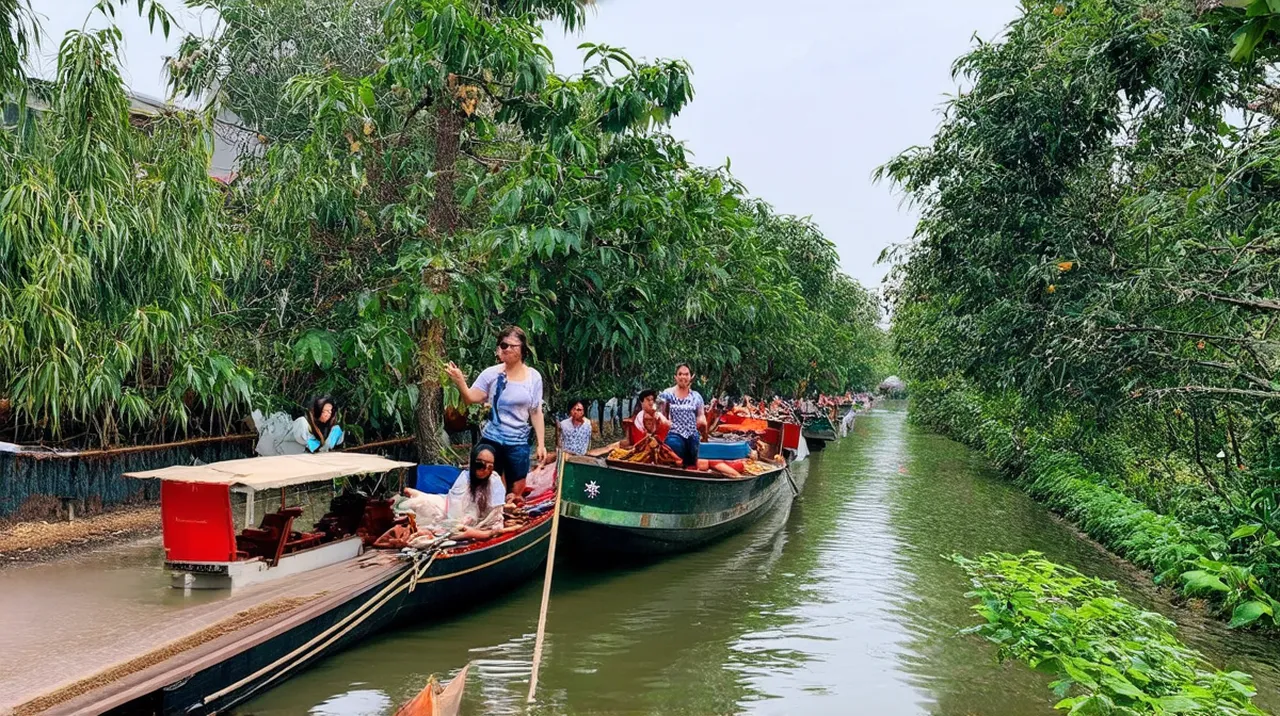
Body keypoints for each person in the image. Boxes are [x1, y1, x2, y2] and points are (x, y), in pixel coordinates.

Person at [445, 326, 546, 496]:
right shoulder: (491, 374)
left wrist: (541, 444)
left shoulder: (533, 377)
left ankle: (510, 508)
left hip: (518, 441)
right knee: (485, 475)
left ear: (522, 349)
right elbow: (470, 398)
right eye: (502, 345)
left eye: (510, 346)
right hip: (492, 437)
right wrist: (460, 381)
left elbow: (535, 411)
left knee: (516, 492)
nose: (505, 349)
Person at [445, 445, 508, 541]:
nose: (485, 470)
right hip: (464, 523)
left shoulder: (494, 480)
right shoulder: (464, 478)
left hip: (488, 525)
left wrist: (479, 532)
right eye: (480, 465)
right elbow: (455, 512)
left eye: (490, 467)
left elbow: (496, 515)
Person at [251, 395, 345, 456]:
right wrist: (316, 446)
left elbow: (332, 443)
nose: (327, 414)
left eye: (330, 412)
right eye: (325, 411)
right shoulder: (302, 423)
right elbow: (303, 440)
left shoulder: (334, 429)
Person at [659, 364, 706, 469]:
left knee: (697, 452)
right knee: (674, 446)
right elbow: (660, 413)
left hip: (692, 433)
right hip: (674, 432)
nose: (683, 377)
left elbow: (701, 415)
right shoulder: (667, 394)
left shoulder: (696, 396)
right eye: (680, 374)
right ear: (675, 377)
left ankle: (691, 471)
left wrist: (701, 421)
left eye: (686, 374)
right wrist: (664, 421)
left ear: (691, 377)